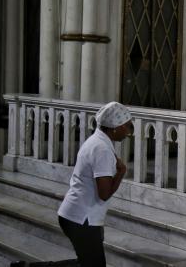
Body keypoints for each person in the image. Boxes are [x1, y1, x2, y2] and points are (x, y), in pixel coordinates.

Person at [56, 102, 133, 266]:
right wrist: (121, 173)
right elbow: (104, 194)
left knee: (87, 263)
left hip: (78, 215)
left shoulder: (98, 141)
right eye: (127, 126)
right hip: (81, 218)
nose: (129, 131)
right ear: (114, 127)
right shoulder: (102, 149)